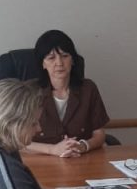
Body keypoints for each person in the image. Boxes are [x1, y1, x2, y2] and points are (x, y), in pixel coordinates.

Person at [28, 29, 109, 157]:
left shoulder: (88, 89)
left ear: (73, 60)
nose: (59, 63)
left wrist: (83, 146)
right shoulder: (29, 92)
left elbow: (99, 134)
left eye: (65, 56)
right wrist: (53, 149)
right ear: (43, 63)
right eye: (51, 58)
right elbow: (16, 142)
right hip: (41, 161)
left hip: (80, 159)